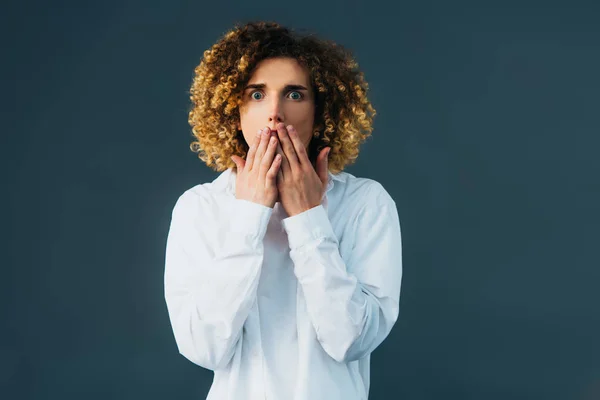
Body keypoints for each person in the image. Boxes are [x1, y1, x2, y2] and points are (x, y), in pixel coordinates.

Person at [164, 21, 403, 400]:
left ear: (321, 109)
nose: (275, 112)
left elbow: (351, 340)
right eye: (257, 94)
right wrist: (249, 214)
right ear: (233, 109)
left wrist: (308, 218)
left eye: (294, 94)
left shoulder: (365, 203)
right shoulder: (199, 208)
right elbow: (203, 347)